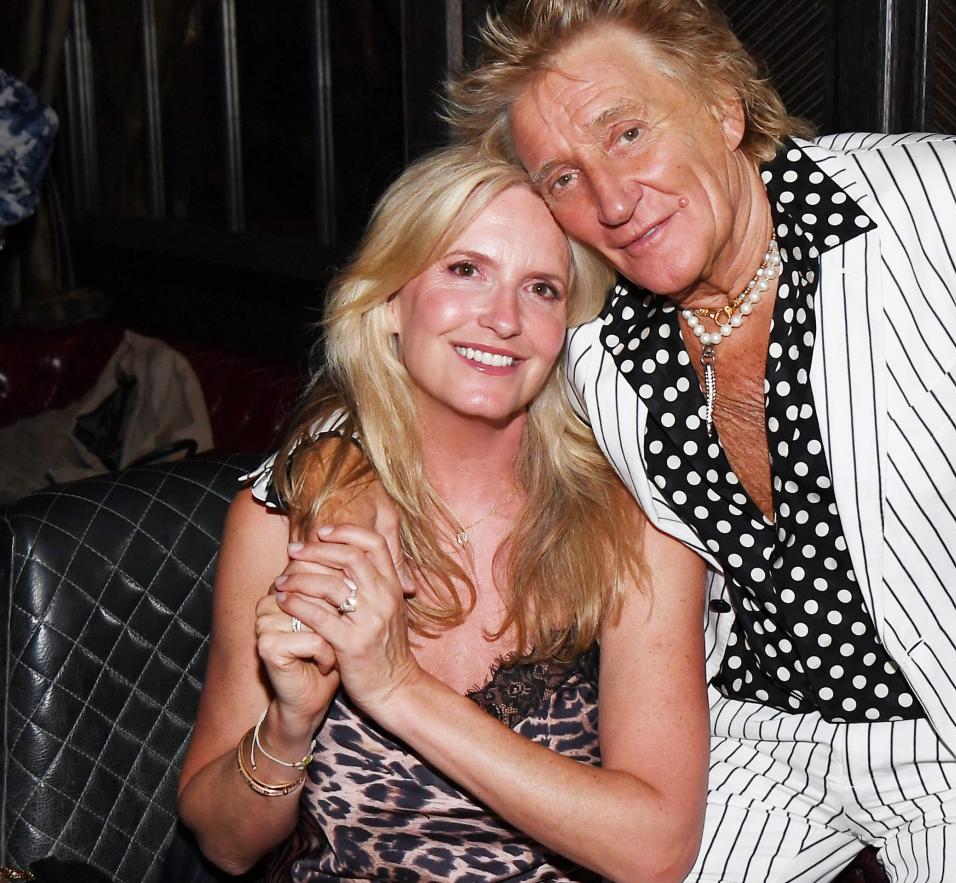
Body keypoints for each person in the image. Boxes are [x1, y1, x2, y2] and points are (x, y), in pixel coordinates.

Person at [443, 0, 956, 881]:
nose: (611, 200)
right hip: (760, 730)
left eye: (627, 134)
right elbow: (445, 398)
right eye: (564, 177)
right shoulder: (595, 342)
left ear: (724, 108)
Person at [177, 145, 709, 883]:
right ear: (392, 300)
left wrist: (398, 686)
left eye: (542, 289)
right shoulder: (289, 519)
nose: (503, 318)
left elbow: (655, 849)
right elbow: (225, 843)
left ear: (568, 328)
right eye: (466, 270)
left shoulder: (635, 524)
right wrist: (288, 724)